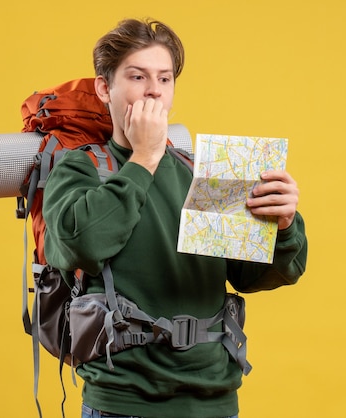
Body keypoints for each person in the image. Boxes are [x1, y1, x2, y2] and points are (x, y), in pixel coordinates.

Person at [42, 18, 308, 418]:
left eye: (164, 79)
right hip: (122, 402)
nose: (153, 89)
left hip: (214, 401)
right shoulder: (79, 169)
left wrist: (283, 226)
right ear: (104, 88)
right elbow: (80, 247)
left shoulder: (203, 173)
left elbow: (256, 276)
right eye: (137, 76)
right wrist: (144, 158)